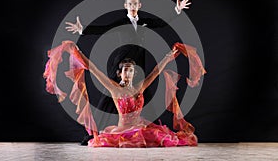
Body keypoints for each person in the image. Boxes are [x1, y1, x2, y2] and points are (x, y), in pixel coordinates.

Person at [64, 0, 191, 144]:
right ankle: (93, 135)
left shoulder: (144, 21)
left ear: (139, 5)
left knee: (144, 95)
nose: (132, 7)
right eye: (130, 4)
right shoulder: (121, 22)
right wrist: (82, 30)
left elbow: (161, 22)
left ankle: (150, 128)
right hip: (122, 63)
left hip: (138, 65)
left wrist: (177, 9)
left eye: (135, 4)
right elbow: (104, 29)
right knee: (108, 96)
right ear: (126, 6)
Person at [43, 40, 206, 147]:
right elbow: (94, 69)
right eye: (126, 71)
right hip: (122, 131)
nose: (129, 74)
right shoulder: (115, 88)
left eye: (132, 71)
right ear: (120, 74)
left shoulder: (139, 87)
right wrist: (77, 52)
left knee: (169, 139)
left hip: (140, 127)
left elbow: (155, 72)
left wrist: (167, 57)